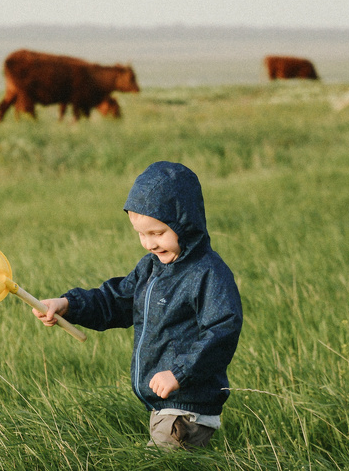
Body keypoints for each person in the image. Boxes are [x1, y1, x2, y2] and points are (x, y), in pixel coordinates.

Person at [33, 161, 243, 450]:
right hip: (164, 405)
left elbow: (222, 331)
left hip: (187, 407)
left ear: (186, 222)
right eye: (141, 234)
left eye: (157, 233)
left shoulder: (207, 273)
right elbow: (115, 300)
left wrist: (179, 373)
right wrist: (69, 304)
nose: (149, 244)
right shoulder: (151, 268)